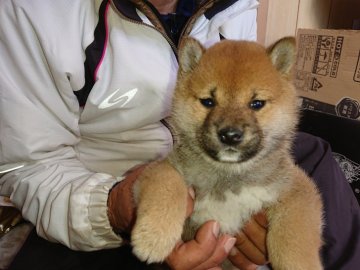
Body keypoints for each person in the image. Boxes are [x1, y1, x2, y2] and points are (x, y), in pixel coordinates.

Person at [0, 0, 359, 269]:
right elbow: (30, 167)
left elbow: (248, 74)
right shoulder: (36, 11)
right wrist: (110, 207)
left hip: (223, 160)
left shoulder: (236, 4)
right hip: (103, 178)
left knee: (319, 160)